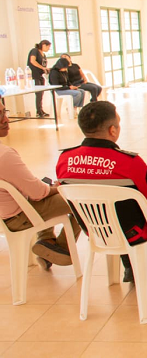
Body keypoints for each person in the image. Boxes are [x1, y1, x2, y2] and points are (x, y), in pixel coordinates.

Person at [56, 101, 147, 285]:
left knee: (113, 212)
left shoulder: (65, 160)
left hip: (95, 230)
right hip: (133, 232)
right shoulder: (129, 162)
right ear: (112, 130)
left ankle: (129, 266)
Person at [0, 100, 81, 270]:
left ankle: (46, 242)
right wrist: (59, 188)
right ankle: (62, 248)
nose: (6, 119)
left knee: (43, 186)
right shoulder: (5, 155)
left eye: (4, 112)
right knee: (82, 197)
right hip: (18, 217)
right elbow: (38, 193)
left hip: (6, 213)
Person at [27, 40, 51, 117]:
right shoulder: (35, 51)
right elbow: (32, 61)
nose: (48, 49)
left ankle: (41, 110)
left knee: (41, 94)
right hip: (34, 75)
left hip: (40, 75)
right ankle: (39, 111)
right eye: (48, 47)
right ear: (43, 45)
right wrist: (43, 68)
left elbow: (43, 65)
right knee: (38, 93)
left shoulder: (43, 55)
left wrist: (46, 69)